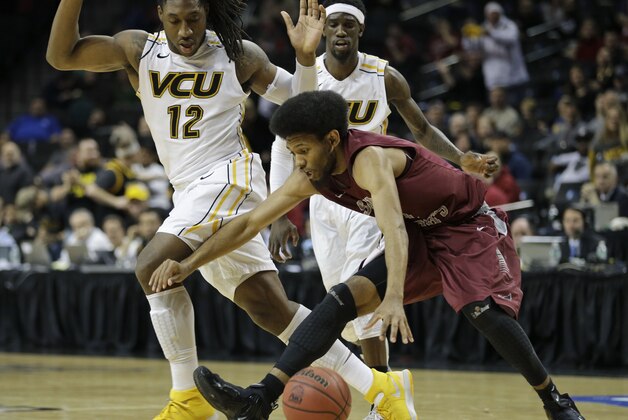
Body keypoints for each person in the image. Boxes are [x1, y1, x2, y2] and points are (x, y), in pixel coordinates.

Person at [150, 91, 585, 420]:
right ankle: (261, 397)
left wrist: (393, 296)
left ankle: (553, 399)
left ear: (332, 139)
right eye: (293, 151)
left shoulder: (369, 160)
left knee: (480, 310)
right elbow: (247, 225)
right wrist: (187, 264)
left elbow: (392, 226)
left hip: (466, 224)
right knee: (341, 299)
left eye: (302, 150)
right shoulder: (313, 175)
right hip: (421, 231)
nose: (298, 161)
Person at [47, 1, 383, 420]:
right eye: (175, 21)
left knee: (152, 264)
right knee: (269, 307)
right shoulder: (138, 51)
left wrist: (303, 57)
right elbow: (62, 56)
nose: (185, 30)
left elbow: (304, 103)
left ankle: (186, 397)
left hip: (229, 177)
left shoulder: (237, 54)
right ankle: (383, 387)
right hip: (188, 191)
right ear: (159, 14)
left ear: (207, 14)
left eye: (194, 19)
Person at [268, 1, 499, 407]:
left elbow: (422, 129)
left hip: (372, 198)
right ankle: (385, 392)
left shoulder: (384, 76)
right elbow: (283, 147)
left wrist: (459, 157)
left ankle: (384, 399)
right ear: (324, 31)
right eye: (333, 25)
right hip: (324, 200)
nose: (340, 31)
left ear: (360, 30)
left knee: (358, 299)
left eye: (348, 25)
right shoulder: (308, 77)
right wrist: (283, 213)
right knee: (345, 311)